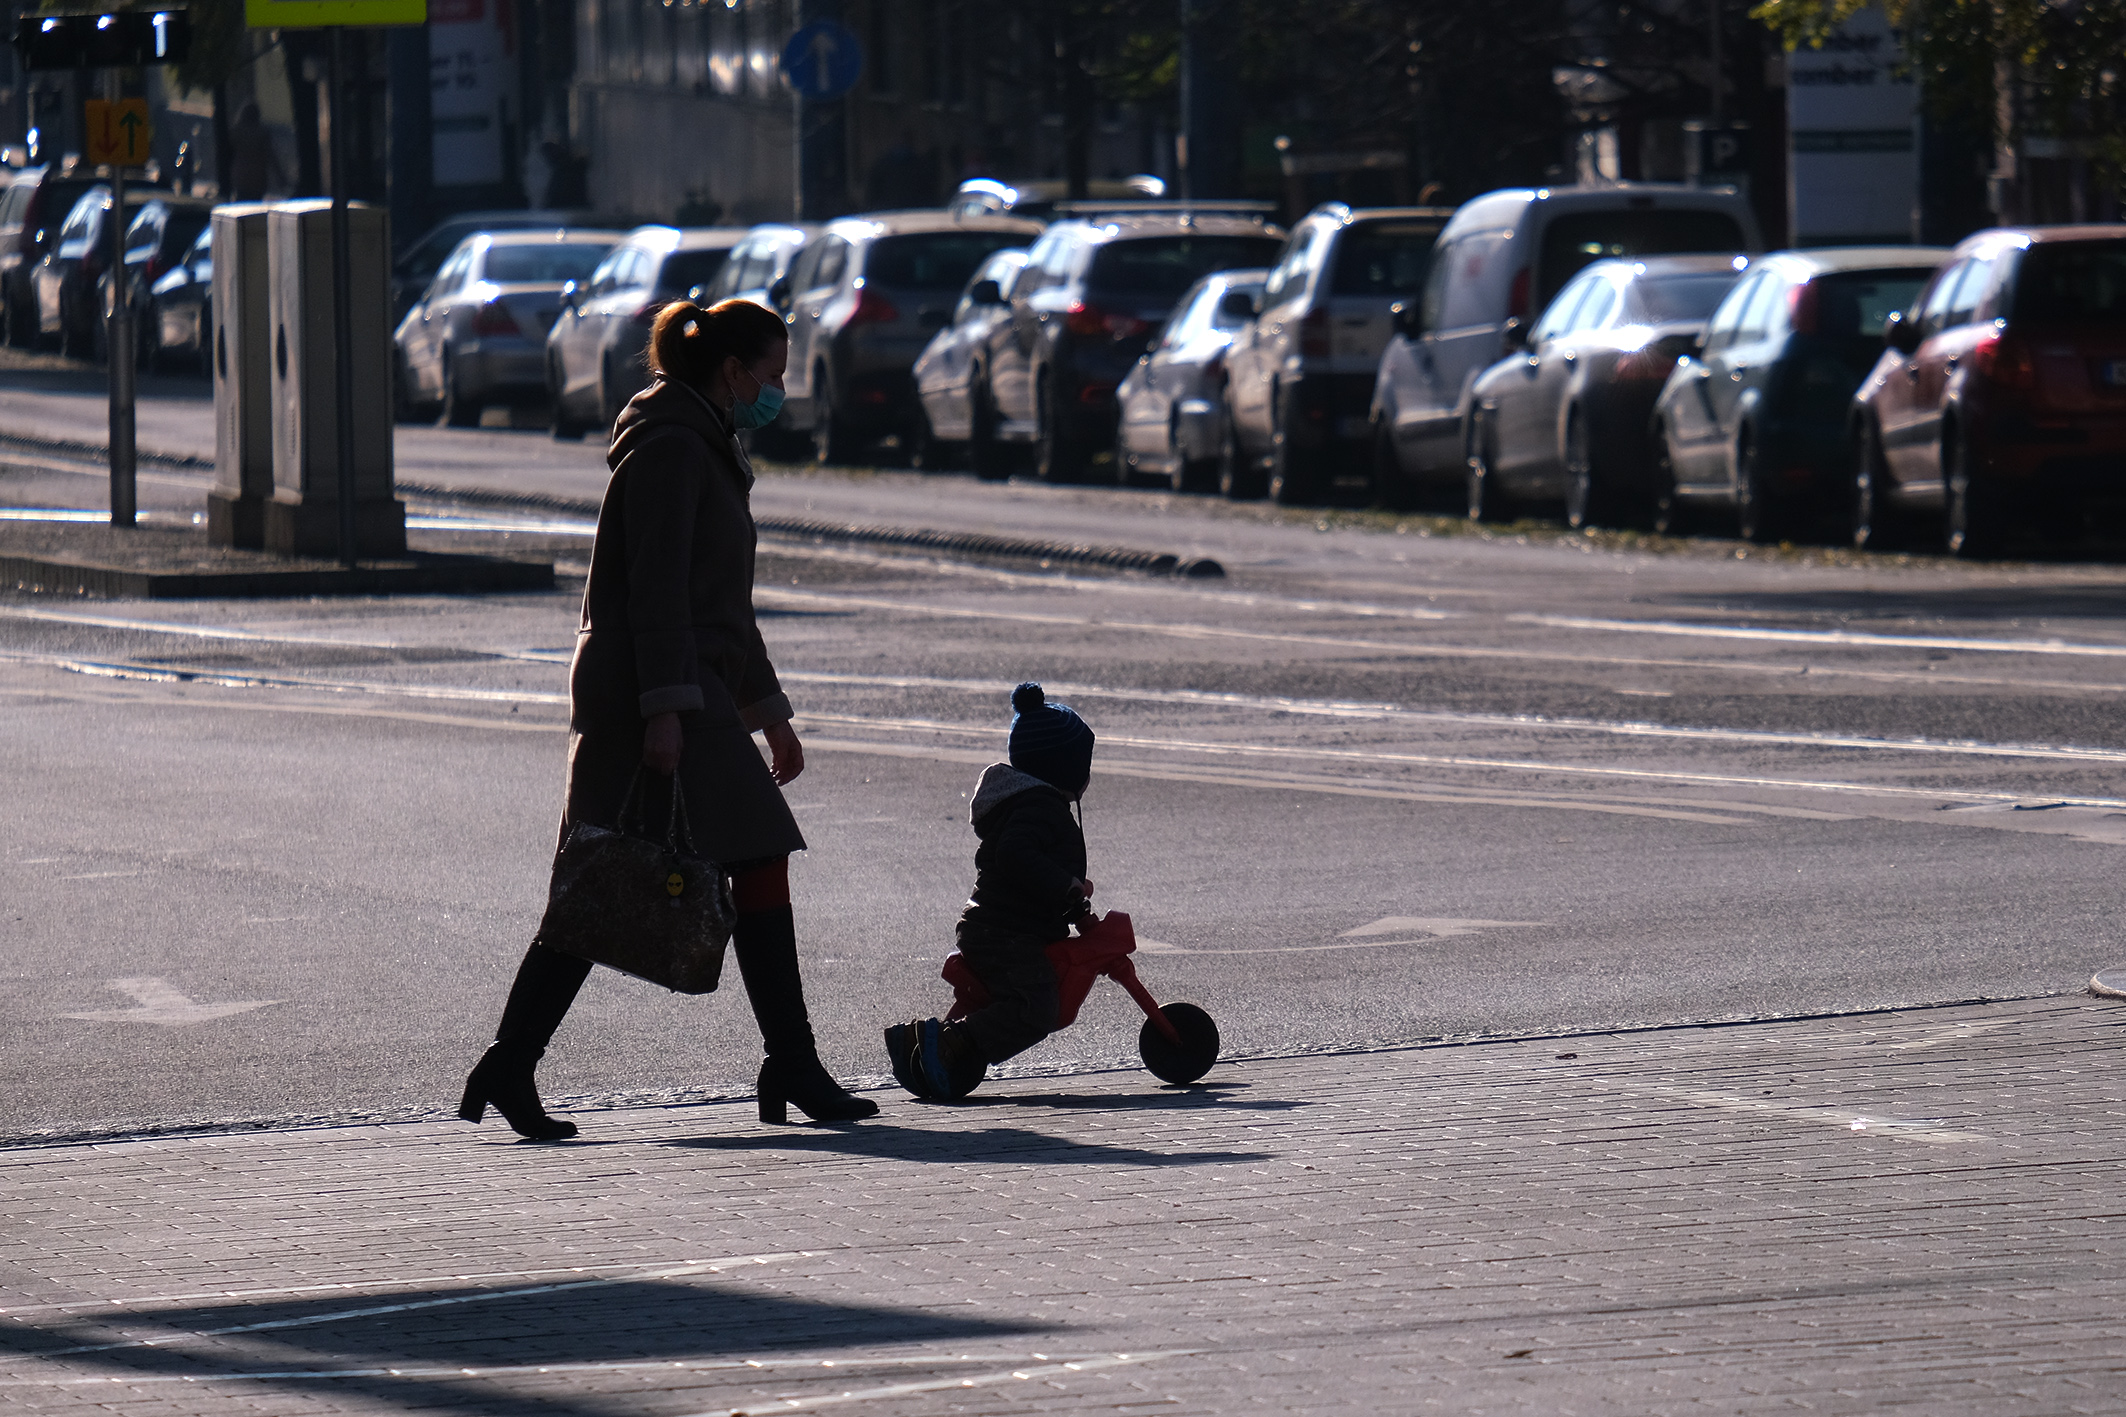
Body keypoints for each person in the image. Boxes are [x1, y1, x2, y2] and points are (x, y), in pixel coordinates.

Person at [459, 297, 878, 1139]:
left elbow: (725, 607)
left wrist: (772, 714)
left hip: (689, 689)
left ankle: (519, 1062)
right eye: (772, 376)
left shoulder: (704, 440)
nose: (778, 393)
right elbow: (654, 593)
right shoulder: (671, 448)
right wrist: (662, 713)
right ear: (730, 372)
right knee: (609, 875)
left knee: (664, 869)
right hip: (648, 695)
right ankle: (783, 1062)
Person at [888, 682, 1096, 1100]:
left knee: (1028, 994)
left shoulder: (1034, 805)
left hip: (1002, 924)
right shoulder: (1040, 808)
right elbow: (1017, 857)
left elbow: (1035, 872)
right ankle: (951, 1043)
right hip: (1005, 932)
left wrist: (1071, 903)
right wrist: (1063, 885)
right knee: (1038, 1009)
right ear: (1067, 769)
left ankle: (923, 1040)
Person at [226, 104, 285, 202]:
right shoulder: (262, 133)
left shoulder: (236, 132)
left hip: (240, 176)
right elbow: (270, 156)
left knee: (241, 202)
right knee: (255, 205)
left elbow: (228, 155)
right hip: (258, 178)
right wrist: (280, 177)